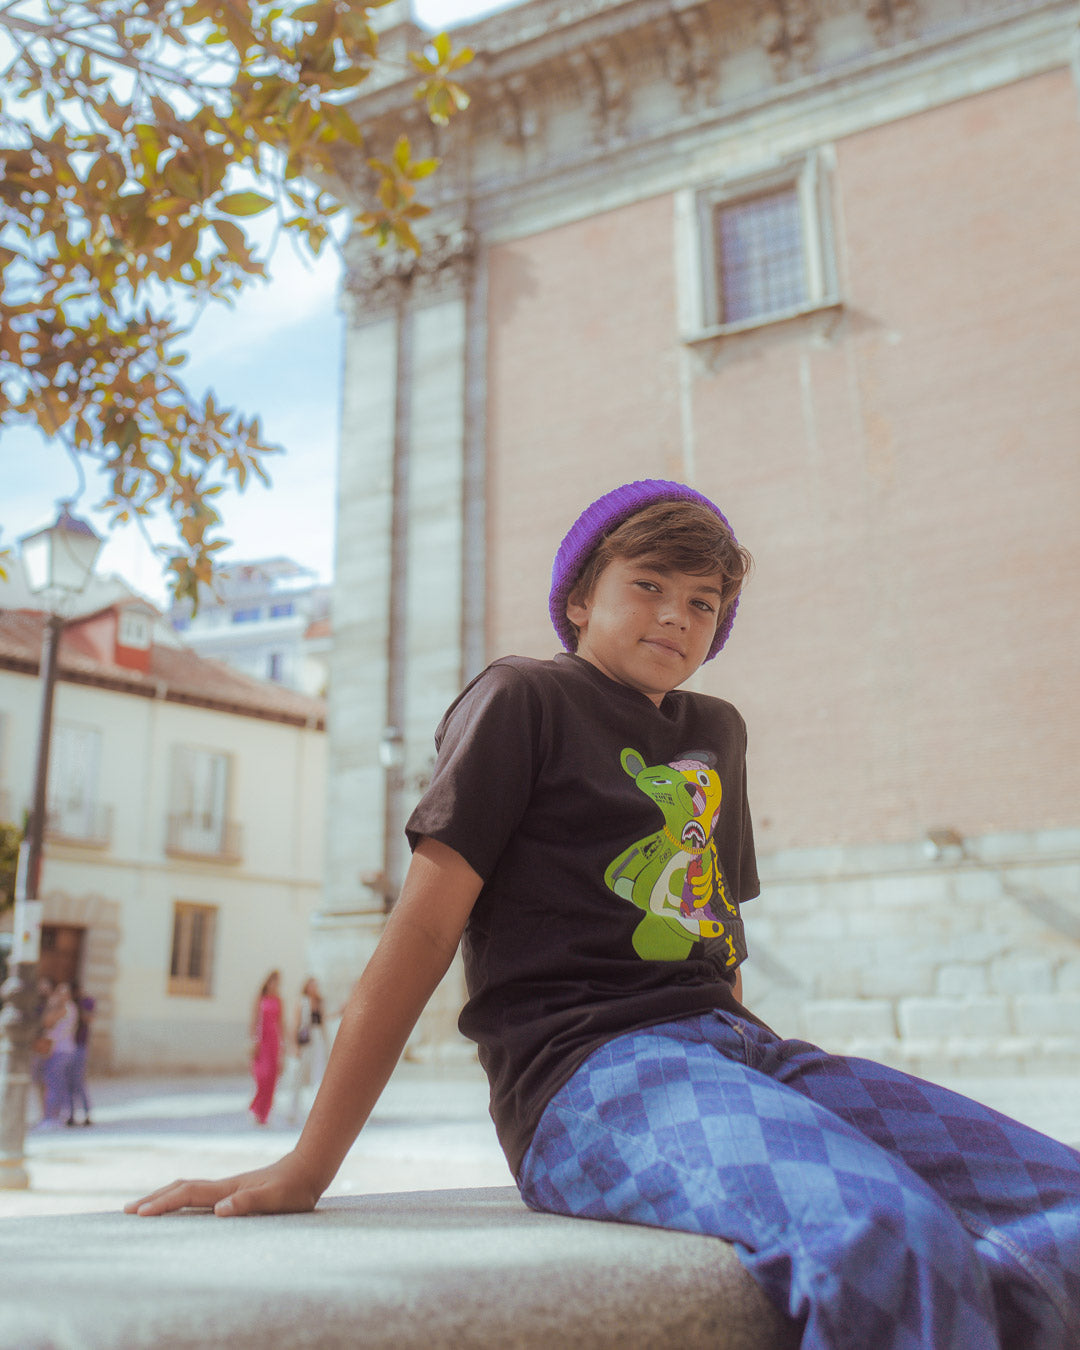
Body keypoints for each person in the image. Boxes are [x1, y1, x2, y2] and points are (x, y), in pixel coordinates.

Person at [127, 480, 1080, 1350]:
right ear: (581, 598)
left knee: (1059, 1203)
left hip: (739, 1053)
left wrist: (770, 1082)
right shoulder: (522, 699)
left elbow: (718, 932)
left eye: (703, 602)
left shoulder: (717, 732)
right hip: (590, 1078)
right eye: (650, 584)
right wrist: (311, 1162)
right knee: (879, 1230)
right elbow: (421, 932)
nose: (677, 614)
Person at [287, 977, 329, 1123]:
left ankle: (315, 1111)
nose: (314, 988)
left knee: (318, 1075)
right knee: (298, 1076)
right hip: (305, 1042)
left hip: (318, 1042)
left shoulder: (319, 1003)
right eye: (312, 985)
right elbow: (295, 1024)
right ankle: (293, 1110)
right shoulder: (302, 1002)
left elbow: (323, 1022)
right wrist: (294, 1046)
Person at [39, 981, 77, 1128]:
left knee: (54, 1085)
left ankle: (52, 1118)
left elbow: (47, 1022)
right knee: (58, 1085)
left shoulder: (66, 1008)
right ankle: (57, 1116)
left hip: (60, 1051)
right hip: (62, 1050)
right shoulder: (69, 1007)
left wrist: (51, 1003)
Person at [249, 970, 284, 1126]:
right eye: (273, 982)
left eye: (277, 982)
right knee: (262, 1077)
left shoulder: (279, 1000)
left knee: (271, 1079)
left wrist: (285, 1044)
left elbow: (281, 1024)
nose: (275, 985)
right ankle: (256, 1108)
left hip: (273, 1042)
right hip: (261, 1042)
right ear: (267, 982)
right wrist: (252, 1040)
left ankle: (263, 1115)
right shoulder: (260, 999)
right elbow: (254, 1020)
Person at [68, 980, 95, 1126]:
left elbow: (89, 1018)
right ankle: (70, 1114)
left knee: (79, 1082)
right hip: (69, 1046)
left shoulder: (87, 1002)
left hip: (80, 1046)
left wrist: (78, 1007)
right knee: (68, 1083)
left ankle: (86, 1113)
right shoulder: (69, 1004)